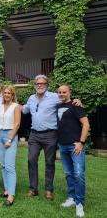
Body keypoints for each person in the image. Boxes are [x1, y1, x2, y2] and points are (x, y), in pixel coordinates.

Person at [22, 74, 81, 201]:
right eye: (37, 83)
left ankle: (49, 190)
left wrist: (77, 100)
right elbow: (24, 110)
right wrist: (10, 104)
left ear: (46, 85)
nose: (39, 85)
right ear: (34, 85)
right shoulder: (31, 98)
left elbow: (67, 101)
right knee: (31, 160)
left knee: (49, 162)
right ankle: (33, 189)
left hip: (50, 134)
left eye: (42, 83)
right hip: (34, 135)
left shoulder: (54, 97)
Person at [57, 85, 90, 218]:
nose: (62, 94)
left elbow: (86, 124)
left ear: (69, 92)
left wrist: (81, 143)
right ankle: (71, 197)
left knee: (78, 174)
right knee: (68, 173)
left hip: (75, 146)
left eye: (64, 92)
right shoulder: (57, 106)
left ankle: (79, 203)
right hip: (63, 146)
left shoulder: (76, 105)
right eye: (59, 92)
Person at [0, 85, 21, 207]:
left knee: (10, 166)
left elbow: (17, 124)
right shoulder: (0, 107)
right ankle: (6, 189)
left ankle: (11, 196)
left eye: (9, 93)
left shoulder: (16, 107)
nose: (7, 95)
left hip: (10, 135)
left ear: (12, 95)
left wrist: (10, 139)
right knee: (3, 166)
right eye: (5, 93)